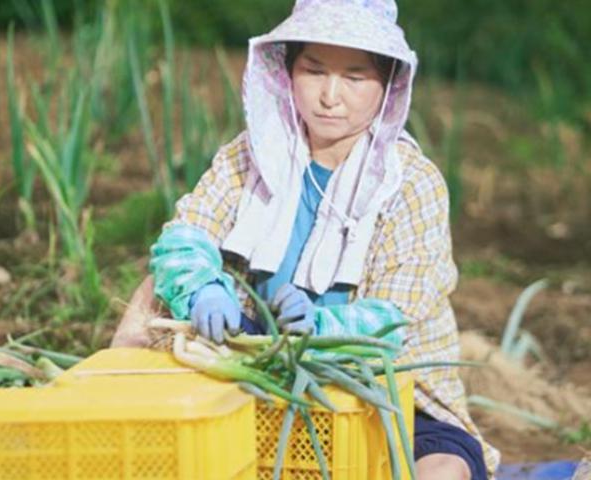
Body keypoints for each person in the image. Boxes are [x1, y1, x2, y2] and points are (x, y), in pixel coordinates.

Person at [111, 0, 500, 478]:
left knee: (444, 470)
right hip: (259, 360)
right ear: (287, 69)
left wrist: (319, 325)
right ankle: (113, 412)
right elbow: (185, 235)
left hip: (381, 386)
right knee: (153, 291)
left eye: (355, 78)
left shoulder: (411, 183)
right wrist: (201, 290)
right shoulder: (253, 155)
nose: (329, 96)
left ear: (388, 85)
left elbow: (394, 321)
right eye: (314, 71)